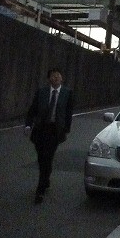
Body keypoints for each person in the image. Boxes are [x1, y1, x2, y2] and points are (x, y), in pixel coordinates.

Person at [24, 68, 74, 203]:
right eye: (53, 76)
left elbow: (68, 113)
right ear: (49, 79)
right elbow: (33, 109)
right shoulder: (41, 92)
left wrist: (66, 129)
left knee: (48, 156)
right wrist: (28, 125)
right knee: (41, 157)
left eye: (58, 75)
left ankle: (40, 190)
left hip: (55, 130)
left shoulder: (67, 93)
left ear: (62, 78)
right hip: (40, 129)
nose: (56, 77)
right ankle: (45, 179)